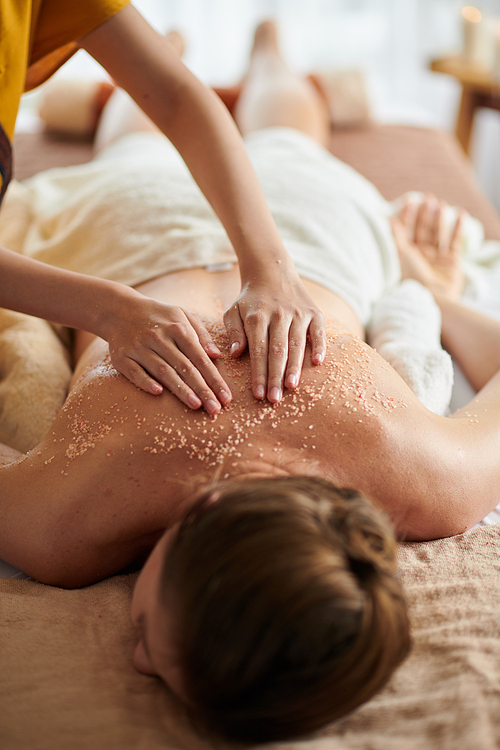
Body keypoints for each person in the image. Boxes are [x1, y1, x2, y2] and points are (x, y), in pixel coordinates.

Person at [1, 18, 500, 743]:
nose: (136, 662)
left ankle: (247, 50)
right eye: (146, 632)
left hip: (294, 247)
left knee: (281, 135)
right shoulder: (61, 524)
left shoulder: (432, 477)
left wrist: (434, 300)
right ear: (200, 514)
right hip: (227, 243)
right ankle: (260, 46)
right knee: (167, 142)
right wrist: (433, 294)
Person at [0, 2, 326, 413]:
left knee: (285, 145)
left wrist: (272, 266)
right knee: (279, 145)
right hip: (134, 202)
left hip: (142, 200)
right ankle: (170, 47)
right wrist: (108, 310)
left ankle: (263, 49)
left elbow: (173, 95)